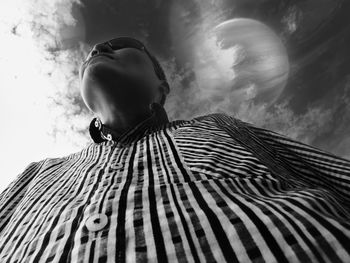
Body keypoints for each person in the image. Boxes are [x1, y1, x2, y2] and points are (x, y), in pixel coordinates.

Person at [0, 36, 350, 263]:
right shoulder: (37, 174)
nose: (97, 50)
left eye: (121, 44)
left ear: (162, 86)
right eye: (92, 52)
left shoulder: (220, 127)